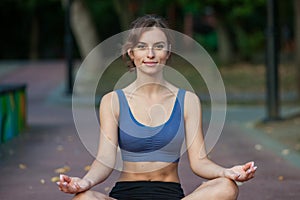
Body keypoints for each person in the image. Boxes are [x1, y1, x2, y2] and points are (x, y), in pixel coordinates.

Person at [57, 14, 257, 200]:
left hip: (169, 193)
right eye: (142, 46)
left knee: (227, 187)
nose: (150, 54)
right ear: (131, 52)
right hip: (126, 193)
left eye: (158, 46)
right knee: (83, 198)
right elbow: (104, 159)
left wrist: (227, 172)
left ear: (168, 52)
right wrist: (85, 182)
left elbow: (199, 162)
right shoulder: (112, 101)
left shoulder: (188, 100)